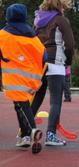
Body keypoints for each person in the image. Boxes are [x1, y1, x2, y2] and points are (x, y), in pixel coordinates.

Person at [0, 4, 47, 148]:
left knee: (22, 104)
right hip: (33, 78)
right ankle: (25, 136)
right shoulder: (33, 36)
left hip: (14, 79)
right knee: (19, 105)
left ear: (8, 17)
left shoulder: (3, 35)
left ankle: (33, 132)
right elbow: (44, 56)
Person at [32, 0, 74, 146]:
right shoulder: (61, 20)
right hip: (56, 62)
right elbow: (70, 45)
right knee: (55, 101)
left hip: (40, 62)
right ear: (61, 5)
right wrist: (68, 61)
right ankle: (51, 135)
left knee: (37, 97)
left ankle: (26, 132)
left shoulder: (37, 20)